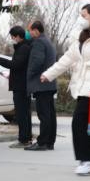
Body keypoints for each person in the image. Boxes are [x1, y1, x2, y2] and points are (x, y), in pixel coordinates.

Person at [41, 3, 90, 176]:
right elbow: (66, 60)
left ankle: (86, 160)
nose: (81, 18)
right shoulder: (80, 37)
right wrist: (48, 74)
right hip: (82, 85)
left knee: (78, 124)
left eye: (84, 15)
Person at [0, 26, 33, 148]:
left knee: (22, 114)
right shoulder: (23, 47)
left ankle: (23, 139)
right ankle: (27, 138)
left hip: (21, 86)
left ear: (17, 36)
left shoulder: (23, 48)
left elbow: (16, 65)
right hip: (22, 84)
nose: (12, 39)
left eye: (12, 36)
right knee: (24, 113)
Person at [25, 20, 58, 151]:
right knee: (50, 114)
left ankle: (42, 142)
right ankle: (50, 142)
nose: (29, 33)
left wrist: (29, 74)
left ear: (36, 31)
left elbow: (37, 61)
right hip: (49, 83)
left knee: (43, 115)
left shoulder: (39, 42)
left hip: (41, 83)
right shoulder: (48, 42)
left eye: (30, 30)